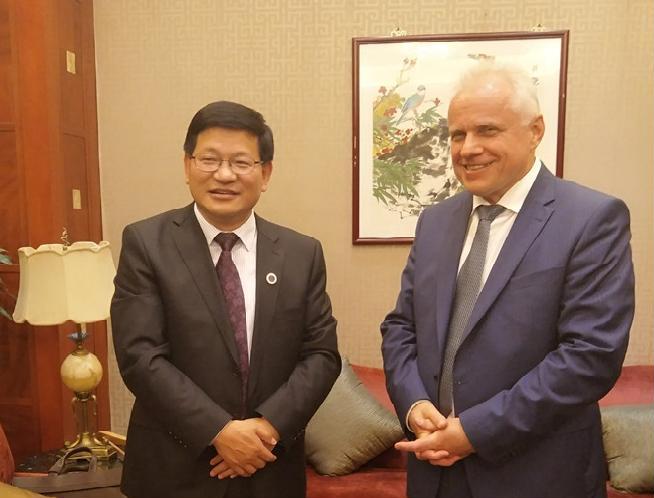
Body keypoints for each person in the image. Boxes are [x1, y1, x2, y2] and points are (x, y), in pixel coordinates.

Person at [380, 63, 635, 498]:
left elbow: (590, 355)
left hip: (536, 474)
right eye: (457, 135)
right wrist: (415, 404)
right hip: (434, 471)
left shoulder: (592, 219)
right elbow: (401, 327)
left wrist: (475, 431)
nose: (468, 148)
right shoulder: (435, 222)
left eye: (487, 130)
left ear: (535, 131)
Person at [111, 100, 340, 498]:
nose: (224, 174)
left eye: (241, 162)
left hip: (269, 467)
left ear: (265, 173)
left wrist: (266, 429)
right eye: (209, 159)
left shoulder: (301, 253)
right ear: (187, 165)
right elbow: (140, 357)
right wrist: (219, 431)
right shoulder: (146, 243)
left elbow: (322, 355)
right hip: (174, 471)